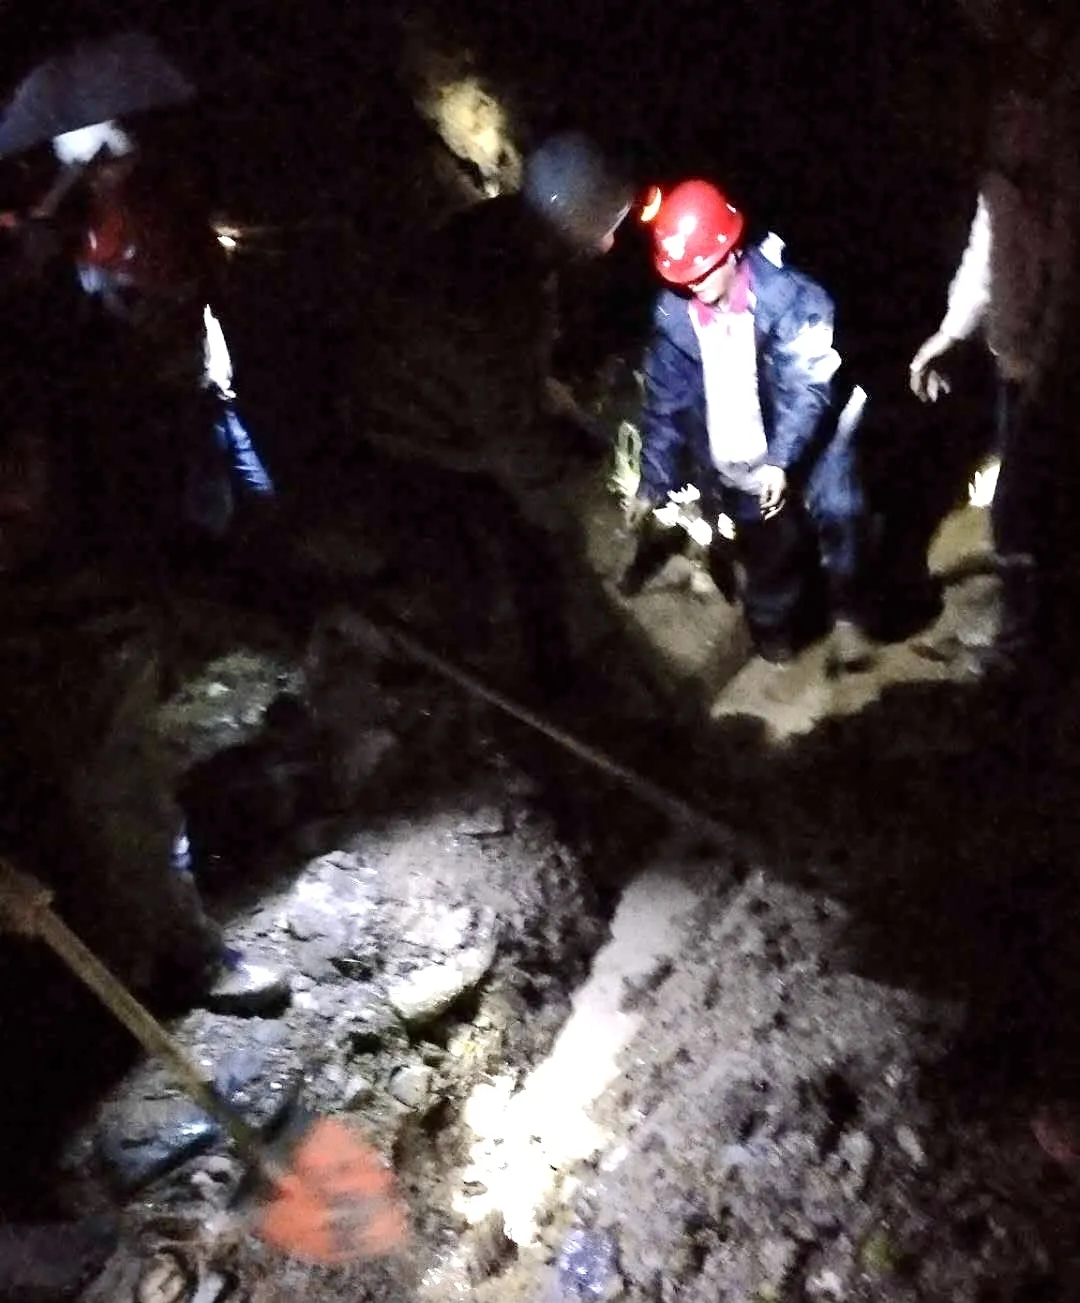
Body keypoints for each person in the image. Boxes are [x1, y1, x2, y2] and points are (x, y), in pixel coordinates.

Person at [627, 179, 872, 669]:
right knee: (766, 553)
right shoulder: (675, 318)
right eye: (684, 275)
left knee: (840, 516)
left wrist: (781, 459)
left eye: (702, 270)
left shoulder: (790, 299)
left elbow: (807, 385)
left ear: (732, 250)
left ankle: (850, 613)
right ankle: (774, 632)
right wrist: (653, 483)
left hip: (811, 443)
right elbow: (665, 406)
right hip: (738, 462)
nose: (693, 283)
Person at [908, 6, 1080, 676]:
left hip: (1052, 367)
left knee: (1023, 510)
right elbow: (994, 231)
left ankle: (1026, 654)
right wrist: (952, 330)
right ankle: (1030, 629)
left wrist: (1046, 373)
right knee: (1029, 505)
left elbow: (1068, 263)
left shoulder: (1061, 123)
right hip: (1020, 361)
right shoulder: (1010, 106)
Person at [45, 119, 274, 561]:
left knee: (212, 423)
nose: (97, 174)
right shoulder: (103, 213)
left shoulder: (153, 204)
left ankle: (236, 522)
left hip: (180, 339)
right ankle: (230, 520)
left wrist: (145, 293)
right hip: (157, 346)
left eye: (100, 164)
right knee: (203, 427)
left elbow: (185, 267)